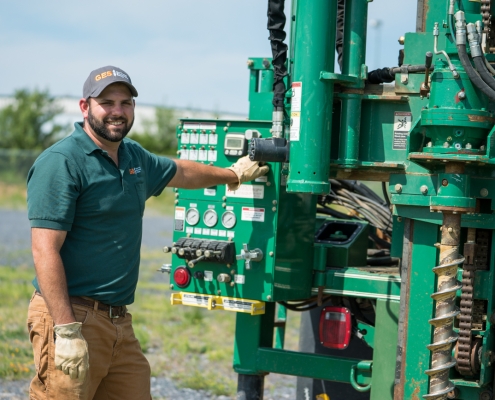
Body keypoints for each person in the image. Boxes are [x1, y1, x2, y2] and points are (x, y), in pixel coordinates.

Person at [26, 65, 269, 400]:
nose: (117, 111)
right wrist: (66, 330)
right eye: (107, 102)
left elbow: (181, 171)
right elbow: (44, 250)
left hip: (117, 320)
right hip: (71, 314)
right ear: (85, 107)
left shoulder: (132, 155)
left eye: (125, 103)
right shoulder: (62, 162)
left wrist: (233, 174)